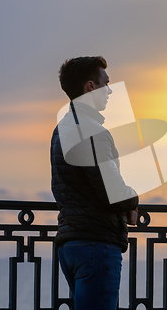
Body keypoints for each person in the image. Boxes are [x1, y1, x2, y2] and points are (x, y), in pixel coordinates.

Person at [50, 56, 139, 310]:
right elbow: (112, 190)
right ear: (90, 86)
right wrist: (133, 200)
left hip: (72, 243)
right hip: (95, 244)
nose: (110, 91)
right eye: (105, 84)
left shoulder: (63, 128)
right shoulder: (92, 131)